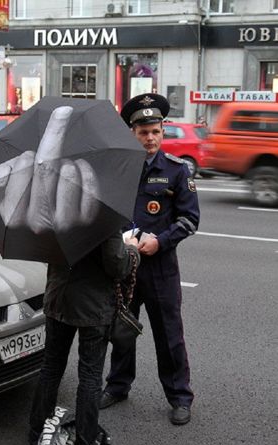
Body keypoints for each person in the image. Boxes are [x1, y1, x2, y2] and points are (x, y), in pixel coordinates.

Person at [100, 93, 200, 425]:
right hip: (125, 266)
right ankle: (117, 385)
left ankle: (180, 397)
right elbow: (108, 211)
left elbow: (189, 219)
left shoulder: (175, 171)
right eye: (144, 133)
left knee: (169, 334)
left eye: (156, 131)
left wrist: (161, 241)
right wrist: (124, 234)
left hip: (160, 268)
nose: (151, 138)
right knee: (122, 330)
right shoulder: (119, 171)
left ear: (162, 131)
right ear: (132, 132)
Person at [29, 231, 140, 445]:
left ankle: (36, 438)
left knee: (50, 368)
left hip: (58, 296)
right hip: (93, 305)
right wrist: (132, 250)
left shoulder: (54, 207)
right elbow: (117, 265)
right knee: (90, 377)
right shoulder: (102, 214)